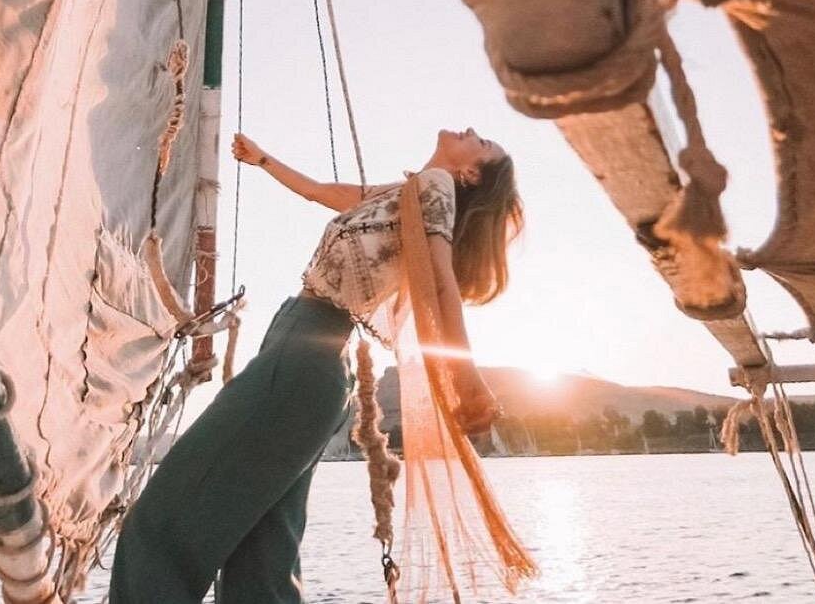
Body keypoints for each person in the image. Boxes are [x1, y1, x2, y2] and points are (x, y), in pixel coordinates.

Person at [109, 127, 524, 603]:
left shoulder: (438, 186)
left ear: (469, 174)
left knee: (160, 529)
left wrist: (467, 379)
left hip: (304, 358)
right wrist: (264, 160)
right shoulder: (405, 193)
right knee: (261, 561)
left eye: (483, 144)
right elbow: (320, 192)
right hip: (308, 362)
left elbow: (441, 282)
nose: (472, 132)